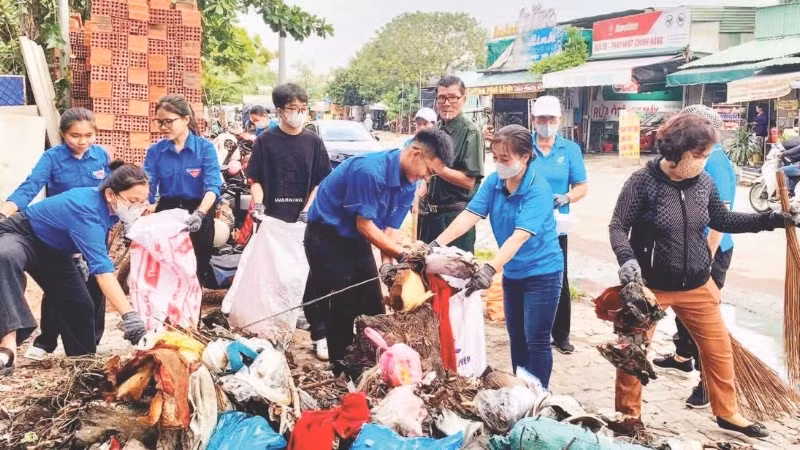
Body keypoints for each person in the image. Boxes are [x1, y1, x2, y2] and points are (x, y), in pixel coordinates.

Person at [608, 113, 799, 438]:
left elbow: (723, 219)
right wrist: (626, 259)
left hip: (697, 284)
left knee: (719, 351)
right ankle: (628, 416)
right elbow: (617, 226)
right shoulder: (642, 183)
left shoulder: (703, 182)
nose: (704, 161)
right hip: (650, 287)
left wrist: (771, 219)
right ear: (678, 152)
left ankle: (727, 413)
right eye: (700, 155)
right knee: (632, 352)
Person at [304, 128, 454, 378]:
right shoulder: (369, 171)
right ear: (416, 153)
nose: (426, 177)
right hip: (326, 237)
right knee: (341, 308)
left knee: (373, 306)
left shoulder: (410, 183)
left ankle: (374, 369)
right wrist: (403, 256)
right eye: (428, 171)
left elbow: (389, 231)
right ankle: (342, 374)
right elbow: (364, 225)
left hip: (358, 239)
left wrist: (388, 267)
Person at [433, 125, 563, 388]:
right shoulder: (494, 182)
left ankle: (539, 394)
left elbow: (519, 236)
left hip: (543, 274)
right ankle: (520, 391)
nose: (499, 164)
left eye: (505, 158)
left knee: (536, 340)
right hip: (513, 273)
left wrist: (490, 268)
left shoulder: (538, 189)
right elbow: (470, 215)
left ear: (525, 157)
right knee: (517, 337)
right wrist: (435, 244)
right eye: (495, 157)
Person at [0, 163, 149, 375]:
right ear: (110, 194)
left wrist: (76, 255)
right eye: (133, 201)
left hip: (55, 250)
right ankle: (8, 346)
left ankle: (83, 367)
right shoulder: (87, 210)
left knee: (79, 305)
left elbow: (67, 228)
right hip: (23, 234)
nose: (137, 207)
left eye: (142, 202)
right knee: (5, 255)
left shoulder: (109, 207)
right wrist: (130, 316)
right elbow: (103, 273)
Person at [0, 108, 112, 360]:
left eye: (89, 135)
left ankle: (89, 345)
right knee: (59, 285)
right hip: (59, 231)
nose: (82, 141)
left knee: (95, 283)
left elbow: (111, 189)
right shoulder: (52, 158)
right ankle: (47, 340)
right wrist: (4, 213)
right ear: (63, 134)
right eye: (75, 136)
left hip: (92, 229)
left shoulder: (101, 155)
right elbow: (30, 187)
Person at [652, 105, 737, 409]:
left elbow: (720, 221)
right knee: (683, 311)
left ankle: (707, 384)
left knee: (703, 322)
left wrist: (706, 262)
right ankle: (682, 357)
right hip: (684, 253)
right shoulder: (688, 159)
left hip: (711, 252)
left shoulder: (715, 163)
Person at [248, 83, 333, 361]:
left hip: (305, 221)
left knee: (310, 277)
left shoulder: (313, 142)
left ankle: (320, 334)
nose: (298, 113)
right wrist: (259, 204)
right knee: (273, 278)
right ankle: (271, 334)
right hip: (274, 222)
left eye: (302, 108)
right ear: (279, 111)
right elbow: (256, 178)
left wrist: (308, 210)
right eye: (292, 108)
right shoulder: (265, 141)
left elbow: (321, 181)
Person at [528, 95, 588, 356]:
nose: (546, 123)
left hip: (557, 225)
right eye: (541, 118)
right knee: (528, 276)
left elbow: (581, 186)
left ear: (560, 120)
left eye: (551, 118)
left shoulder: (569, 150)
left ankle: (561, 334)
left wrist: (566, 198)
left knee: (558, 277)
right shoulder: (525, 146)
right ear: (533, 120)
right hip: (527, 222)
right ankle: (530, 330)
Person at [144, 95, 222, 285]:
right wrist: (143, 208)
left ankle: (194, 304)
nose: (163, 127)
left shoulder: (205, 149)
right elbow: (147, 185)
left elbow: (212, 186)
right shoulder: (155, 151)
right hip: (167, 210)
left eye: (168, 121)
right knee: (167, 268)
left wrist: (200, 214)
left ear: (186, 119)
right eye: (159, 122)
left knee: (196, 268)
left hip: (199, 210)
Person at [418, 75, 485, 252]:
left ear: (463, 99)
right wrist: (420, 196)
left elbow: (469, 181)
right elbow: (428, 174)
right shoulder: (435, 130)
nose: (447, 103)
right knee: (424, 265)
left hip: (455, 220)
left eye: (453, 98)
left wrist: (439, 168)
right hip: (429, 217)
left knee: (453, 269)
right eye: (441, 98)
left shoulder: (471, 132)